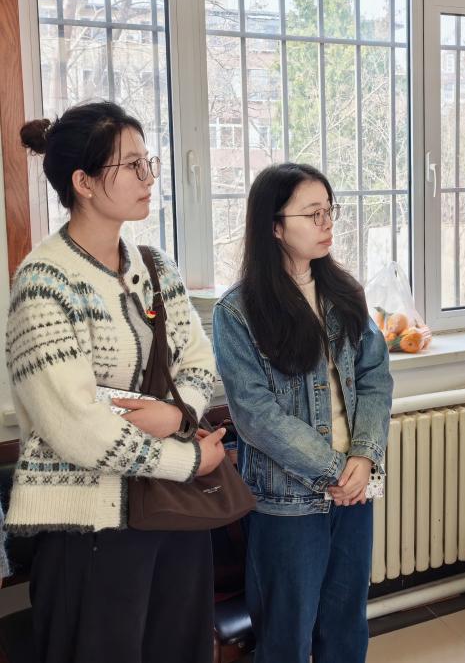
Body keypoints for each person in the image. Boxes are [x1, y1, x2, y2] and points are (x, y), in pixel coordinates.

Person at [6, 101, 224, 663]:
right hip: (90, 526)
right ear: (82, 183)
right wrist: (186, 459)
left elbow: (199, 361)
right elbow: (77, 425)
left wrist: (177, 414)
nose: (148, 177)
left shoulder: (154, 266)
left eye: (147, 161)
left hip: (174, 513)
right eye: (130, 165)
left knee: (182, 649)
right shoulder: (44, 281)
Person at [212, 163, 393, 663]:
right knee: (285, 638)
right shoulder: (238, 312)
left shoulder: (345, 293)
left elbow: (375, 377)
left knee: (346, 629)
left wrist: (364, 458)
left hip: (354, 490)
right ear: (274, 226)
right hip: (286, 502)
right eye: (312, 214)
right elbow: (256, 416)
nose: (327, 223)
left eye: (330, 211)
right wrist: (337, 470)